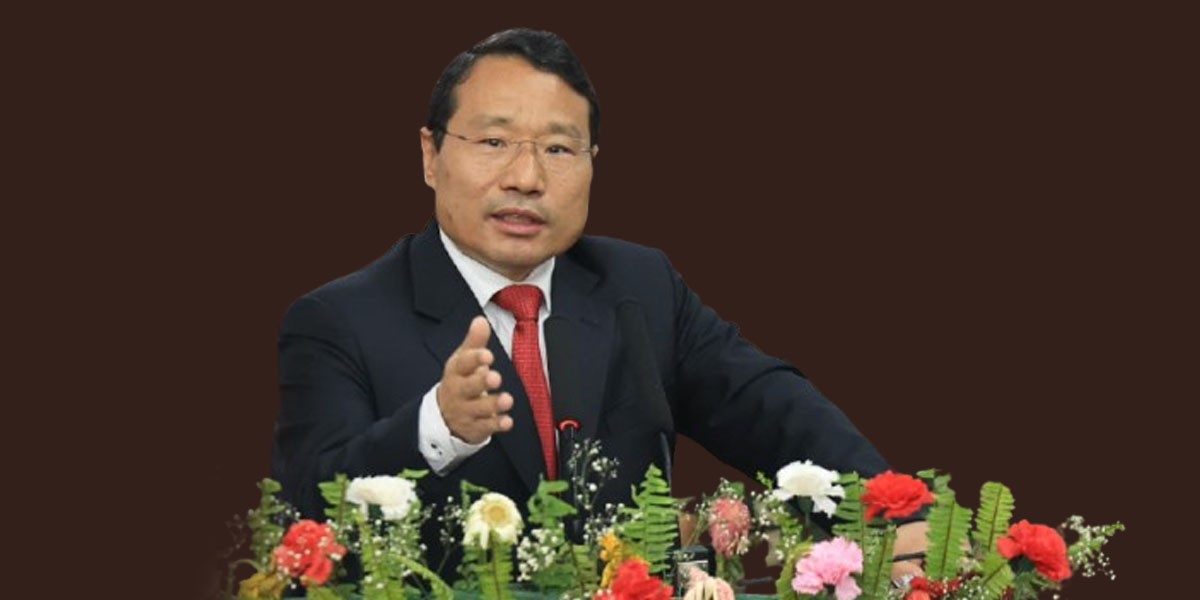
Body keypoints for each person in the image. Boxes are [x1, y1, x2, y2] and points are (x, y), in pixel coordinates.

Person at [271, 28, 926, 581]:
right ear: (430, 155)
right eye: (494, 142)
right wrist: (439, 426)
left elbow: (767, 406)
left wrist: (891, 515)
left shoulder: (638, 285)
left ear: (592, 163)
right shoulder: (337, 321)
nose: (526, 178)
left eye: (558, 149)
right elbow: (310, 515)